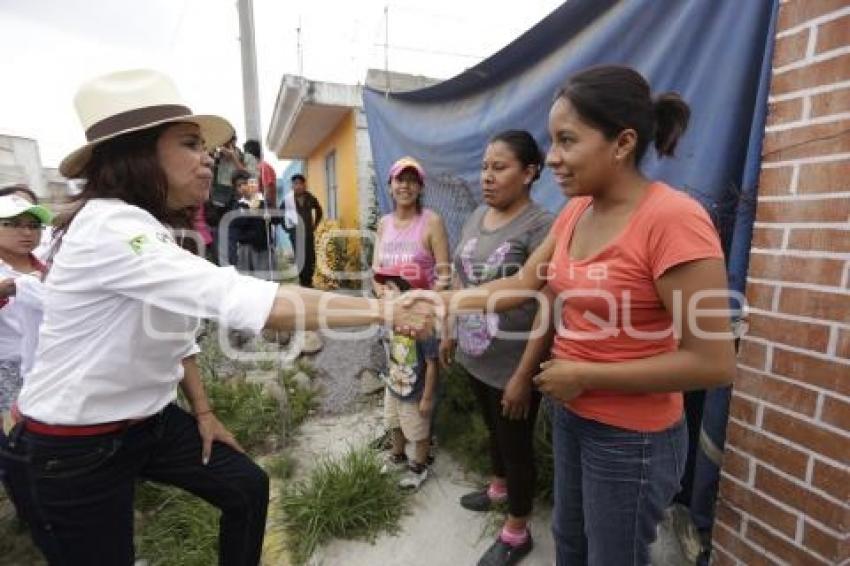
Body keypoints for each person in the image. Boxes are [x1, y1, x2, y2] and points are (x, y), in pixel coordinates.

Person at [0, 68, 432, 566]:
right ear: (137, 154)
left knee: (246, 486)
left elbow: (175, 334)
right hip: (72, 447)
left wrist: (203, 412)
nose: (207, 158)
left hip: (148, 421)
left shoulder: (154, 227)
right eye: (189, 143)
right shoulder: (110, 228)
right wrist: (384, 308)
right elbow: (250, 301)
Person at [429, 65, 737, 565]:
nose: (552, 158)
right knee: (569, 543)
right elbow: (524, 284)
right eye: (552, 141)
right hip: (570, 415)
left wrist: (586, 374)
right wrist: (439, 301)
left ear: (622, 143)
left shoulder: (672, 221)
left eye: (567, 141)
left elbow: (715, 362)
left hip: (631, 438)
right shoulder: (576, 212)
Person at [440, 130, 553, 566]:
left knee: (516, 446)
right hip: (474, 352)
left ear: (529, 173)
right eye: (485, 166)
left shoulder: (542, 226)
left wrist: (525, 375)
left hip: (513, 363)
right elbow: (460, 278)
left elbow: (546, 303)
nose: (487, 176)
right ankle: (498, 489)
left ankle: (518, 529)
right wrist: (450, 330)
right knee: (493, 430)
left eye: (499, 167)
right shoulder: (475, 218)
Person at [375, 265, 439, 490]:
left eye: (390, 287)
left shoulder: (423, 327)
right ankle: (397, 454)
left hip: (415, 392)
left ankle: (419, 467)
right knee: (394, 423)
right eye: (383, 287)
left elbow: (432, 364)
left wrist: (428, 397)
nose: (383, 291)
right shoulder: (390, 320)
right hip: (393, 385)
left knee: (418, 432)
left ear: (410, 293)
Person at [372, 157, 450, 295]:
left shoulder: (432, 222)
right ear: (390, 187)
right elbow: (376, 270)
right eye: (400, 180)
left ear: (420, 188)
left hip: (423, 311)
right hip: (390, 310)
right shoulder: (383, 224)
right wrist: (382, 295)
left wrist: (423, 303)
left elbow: (444, 275)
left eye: (412, 180)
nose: (405, 185)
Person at [232, 173, 276, 279]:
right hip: (245, 247)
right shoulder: (237, 205)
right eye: (239, 185)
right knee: (245, 279)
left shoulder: (264, 203)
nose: (243, 187)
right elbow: (238, 224)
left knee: (263, 279)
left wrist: (270, 216)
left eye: (245, 184)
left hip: (263, 247)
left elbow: (277, 219)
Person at [285, 173, 322, 287]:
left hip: (308, 234)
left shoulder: (310, 197)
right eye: (295, 184)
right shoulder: (288, 200)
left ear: (304, 185)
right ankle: (303, 281)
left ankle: (309, 281)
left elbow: (319, 210)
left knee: (310, 258)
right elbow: (280, 214)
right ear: (292, 186)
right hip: (296, 235)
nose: (298, 186)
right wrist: (287, 229)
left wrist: (315, 225)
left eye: (300, 183)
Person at [243, 139, 277, 211]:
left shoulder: (263, 167)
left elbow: (268, 189)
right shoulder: (256, 168)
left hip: (265, 211)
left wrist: (264, 208)